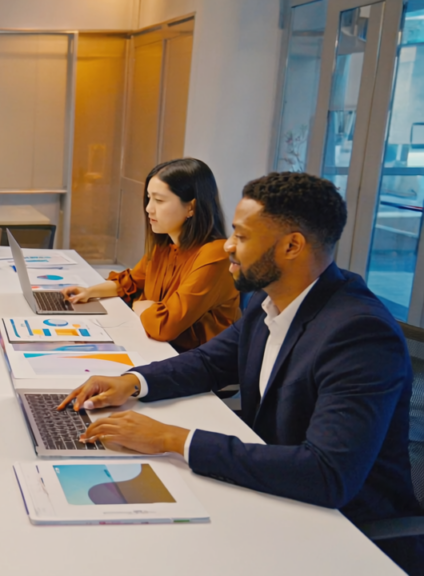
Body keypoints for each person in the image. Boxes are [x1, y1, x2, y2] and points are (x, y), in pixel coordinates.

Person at [57, 172, 423, 573]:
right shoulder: (272, 303)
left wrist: (169, 438)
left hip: (339, 531)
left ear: (291, 246)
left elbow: (327, 474)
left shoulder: (359, 334)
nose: (228, 246)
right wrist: (131, 381)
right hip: (270, 492)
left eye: (242, 237)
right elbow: (209, 362)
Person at [62, 158, 239, 351]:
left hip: (197, 364)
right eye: (149, 198)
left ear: (191, 207)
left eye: (159, 200)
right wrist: (90, 292)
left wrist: (141, 306)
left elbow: (165, 326)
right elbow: (130, 282)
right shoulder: (166, 245)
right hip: (160, 348)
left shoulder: (215, 255)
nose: (148, 208)